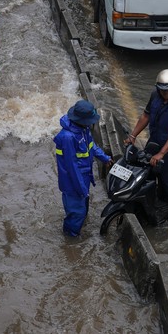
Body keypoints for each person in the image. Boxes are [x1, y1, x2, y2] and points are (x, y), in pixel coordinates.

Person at [124, 69, 168, 221]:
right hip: (155, 140)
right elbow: (145, 116)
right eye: (162, 90)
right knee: (144, 170)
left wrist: (162, 154)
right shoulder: (155, 95)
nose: (165, 93)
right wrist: (133, 135)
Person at [54, 99, 112, 237]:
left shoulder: (83, 130)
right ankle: (71, 240)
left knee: (82, 209)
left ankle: (77, 230)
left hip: (84, 177)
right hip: (72, 182)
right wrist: (81, 188)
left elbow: (92, 146)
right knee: (76, 213)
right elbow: (71, 167)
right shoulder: (68, 137)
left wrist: (104, 157)